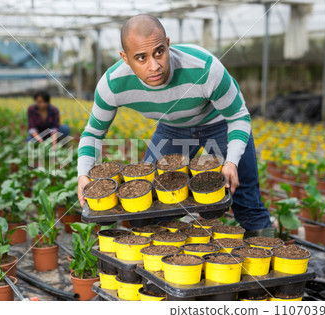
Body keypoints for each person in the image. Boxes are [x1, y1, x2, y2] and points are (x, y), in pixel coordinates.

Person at [77, 14, 271, 231]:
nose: (154, 66)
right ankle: (160, 258)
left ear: (168, 44)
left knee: (246, 200)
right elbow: (93, 133)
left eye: (159, 52)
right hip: (172, 130)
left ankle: (267, 253)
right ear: (125, 57)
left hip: (219, 125)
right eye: (141, 58)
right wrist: (83, 174)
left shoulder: (205, 68)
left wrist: (232, 161)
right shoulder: (112, 85)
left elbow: (238, 117)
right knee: (146, 197)